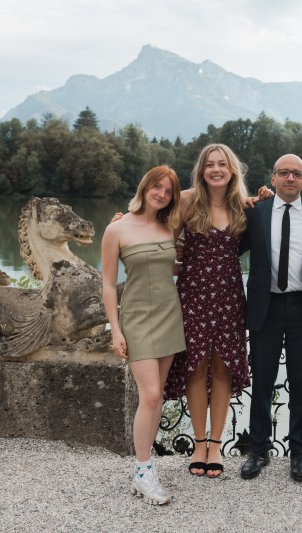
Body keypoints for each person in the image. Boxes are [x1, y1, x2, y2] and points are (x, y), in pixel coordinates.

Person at [165, 144, 252, 478]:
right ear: (202, 170)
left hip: (230, 295)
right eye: (210, 165)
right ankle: (199, 443)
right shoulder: (187, 201)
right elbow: (161, 239)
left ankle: (216, 445)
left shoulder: (243, 205)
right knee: (196, 367)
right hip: (194, 295)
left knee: (223, 369)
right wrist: (124, 222)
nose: (216, 170)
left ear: (232, 169)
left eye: (222, 164)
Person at [101, 165, 186, 505]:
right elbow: (107, 283)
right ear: (145, 187)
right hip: (136, 318)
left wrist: (252, 198)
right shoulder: (116, 229)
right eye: (157, 187)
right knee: (149, 395)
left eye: (168, 190)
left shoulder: (170, 226)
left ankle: (146, 467)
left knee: (158, 396)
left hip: (169, 315)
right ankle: (142, 470)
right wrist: (115, 329)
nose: (162, 194)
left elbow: (204, 199)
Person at [238, 154, 302, 482]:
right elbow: (224, 246)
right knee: (261, 381)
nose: (290, 178)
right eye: (284, 173)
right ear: (272, 178)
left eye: (297, 174)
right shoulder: (254, 213)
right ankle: (259, 449)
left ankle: (299, 451)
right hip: (266, 306)